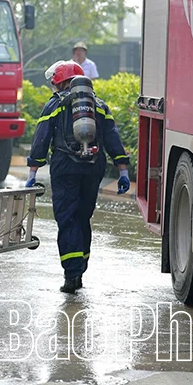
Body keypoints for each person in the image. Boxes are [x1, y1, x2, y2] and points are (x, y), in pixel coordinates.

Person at [25, 60, 129, 294]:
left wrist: (32, 172)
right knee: (83, 217)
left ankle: (71, 275)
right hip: (94, 167)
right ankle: (80, 269)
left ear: (60, 82)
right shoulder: (99, 106)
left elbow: (41, 139)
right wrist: (122, 171)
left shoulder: (55, 105)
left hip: (65, 167)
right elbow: (113, 138)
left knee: (67, 219)